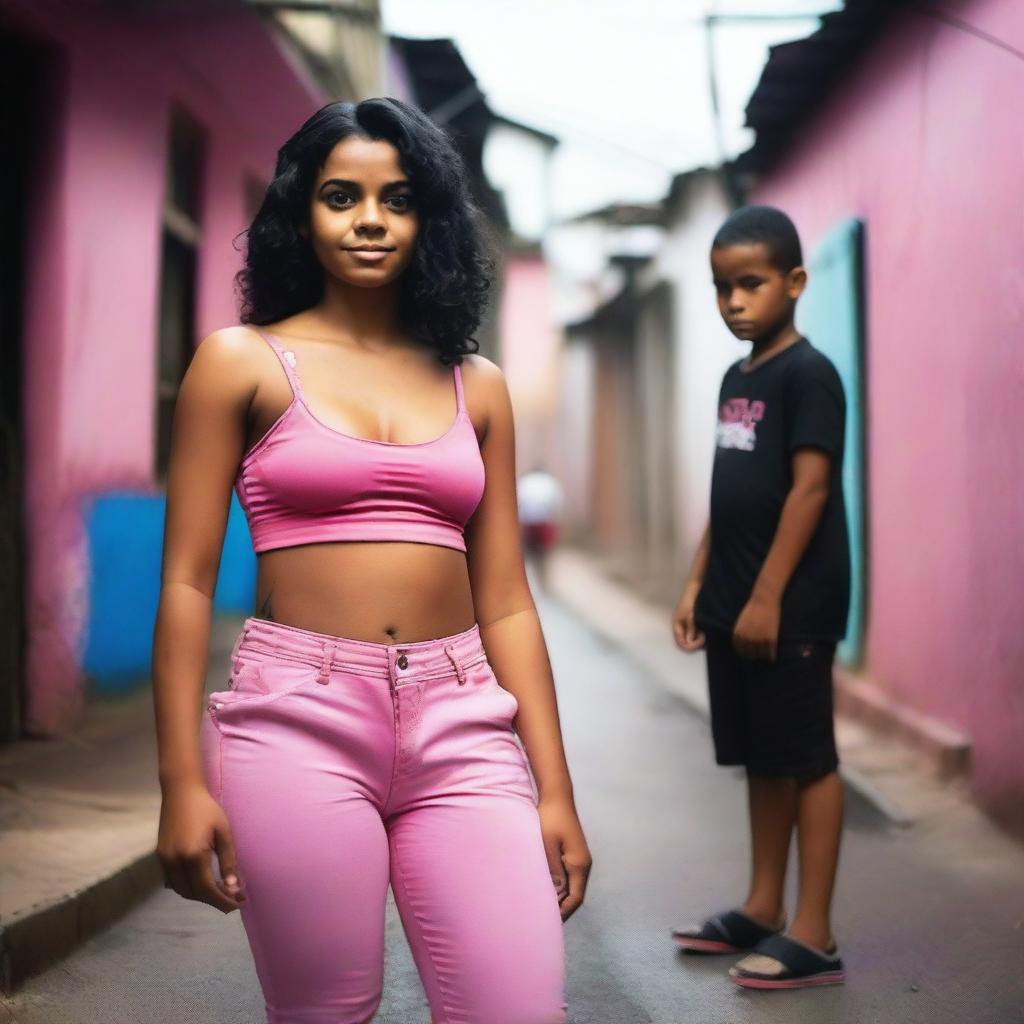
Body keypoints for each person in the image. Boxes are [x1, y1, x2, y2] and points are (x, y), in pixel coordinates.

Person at [152, 97, 590, 1024]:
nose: (368, 220)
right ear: (300, 214)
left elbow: (506, 600)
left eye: (396, 199)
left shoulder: (480, 385)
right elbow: (187, 582)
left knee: (519, 1009)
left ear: (426, 217)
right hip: (294, 720)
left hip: (463, 723)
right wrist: (181, 783)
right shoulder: (241, 363)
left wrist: (554, 788)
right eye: (340, 196)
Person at [670, 205, 850, 990]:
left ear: (795, 282)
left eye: (750, 283)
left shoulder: (809, 375)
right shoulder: (733, 378)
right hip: (735, 600)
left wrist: (770, 595)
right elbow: (730, 492)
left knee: (806, 758)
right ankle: (764, 903)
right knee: (763, 760)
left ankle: (814, 931)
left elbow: (810, 491)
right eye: (721, 288)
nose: (734, 301)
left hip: (791, 604)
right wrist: (699, 581)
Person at [517, 466, 564, 591]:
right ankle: (544, 583)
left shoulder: (525, 481)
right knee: (544, 555)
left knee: (527, 555)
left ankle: (529, 584)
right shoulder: (550, 482)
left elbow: (518, 502)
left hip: (527, 522)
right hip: (544, 522)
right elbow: (557, 504)